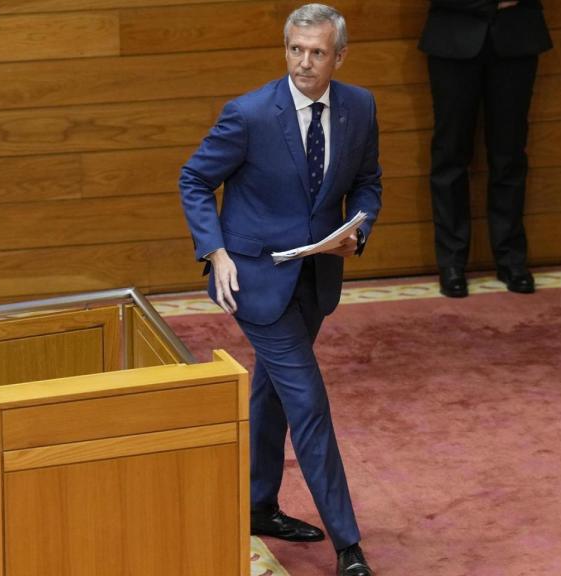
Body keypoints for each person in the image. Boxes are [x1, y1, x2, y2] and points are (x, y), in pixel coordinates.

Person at [178, 4, 381, 575]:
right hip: (254, 279)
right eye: (295, 49)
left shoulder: (359, 108)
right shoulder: (248, 114)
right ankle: (349, 545)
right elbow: (194, 177)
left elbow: (368, 183)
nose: (303, 63)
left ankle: (258, 505)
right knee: (307, 402)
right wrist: (214, 251)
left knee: (270, 394)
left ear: (338, 56)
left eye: (317, 52)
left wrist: (356, 232)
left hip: (316, 277)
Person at [419, 0, 552, 297]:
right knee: (450, 156)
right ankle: (451, 262)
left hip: (517, 33)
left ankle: (511, 260)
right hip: (451, 33)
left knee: (510, 155)